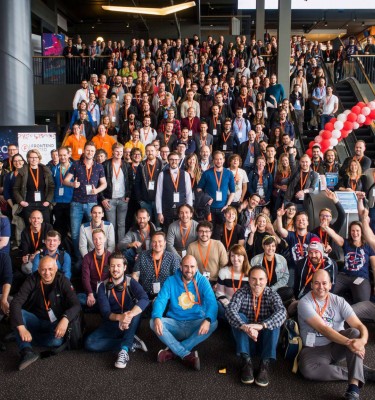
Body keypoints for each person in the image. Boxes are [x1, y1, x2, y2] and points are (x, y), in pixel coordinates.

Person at [298, 269, 375, 400]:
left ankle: (353, 388)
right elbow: (323, 329)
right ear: (311, 285)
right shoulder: (304, 303)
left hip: (337, 345)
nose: (321, 287)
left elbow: (359, 325)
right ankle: (361, 372)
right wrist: (350, 343)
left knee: (355, 333)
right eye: (316, 283)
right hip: (314, 349)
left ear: (330, 284)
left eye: (324, 283)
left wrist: (363, 340)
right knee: (307, 370)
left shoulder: (339, 301)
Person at [10, 256, 81, 370]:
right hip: (35, 319)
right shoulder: (32, 279)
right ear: (38, 270)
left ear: (56, 268)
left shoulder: (63, 281)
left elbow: (76, 304)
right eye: (43, 269)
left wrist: (65, 319)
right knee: (19, 314)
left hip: (55, 323)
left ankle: (18, 335)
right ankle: (26, 350)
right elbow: (16, 303)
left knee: (56, 341)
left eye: (50, 269)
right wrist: (22, 327)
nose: (47, 273)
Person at [150, 254, 218, 370]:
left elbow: (212, 303)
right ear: (180, 267)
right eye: (186, 266)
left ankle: (173, 351)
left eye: (192, 267)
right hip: (175, 324)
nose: (189, 270)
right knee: (153, 322)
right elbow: (160, 301)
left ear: (196, 268)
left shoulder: (202, 281)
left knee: (213, 323)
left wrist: (207, 320)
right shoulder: (171, 281)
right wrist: (157, 317)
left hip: (195, 324)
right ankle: (185, 354)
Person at [85, 252, 149, 369]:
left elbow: (144, 298)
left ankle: (124, 350)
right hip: (113, 323)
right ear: (109, 268)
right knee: (89, 343)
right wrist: (120, 318)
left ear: (124, 267)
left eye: (119, 266)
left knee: (136, 311)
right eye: (113, 266)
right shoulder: (102, 287)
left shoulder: (131, 282)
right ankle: (131, 342)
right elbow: (105, 312)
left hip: (130, 323)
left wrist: (129, 315)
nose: (115, 269)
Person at [226, 265, 287, 387]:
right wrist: (245, 327)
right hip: (246, 341)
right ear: (249, 280)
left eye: (261, 279)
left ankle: (265, 364)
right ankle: (246, 362)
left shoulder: (272, 294)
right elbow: (230, 310)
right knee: (239, 317)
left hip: (264, 342)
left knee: (274, 321)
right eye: (254, 279)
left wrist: (262, 325)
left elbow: (282, 312)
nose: (257, 283)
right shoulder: (241, 292)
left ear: (266, 280)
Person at [64, 141, 107, 262]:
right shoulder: (75, 164)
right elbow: (65, 181)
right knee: (75, 233)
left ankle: (93, 257)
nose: (90, 153)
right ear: (84, 151)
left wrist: (97, 190)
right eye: (88, 150)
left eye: (92, 151)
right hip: (76, 203)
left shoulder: (99, 166)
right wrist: (72, 183)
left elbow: (104, 184)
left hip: (92, 204)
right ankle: (79, 258)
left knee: (95, 232)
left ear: (95, 152)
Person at [322, 220, 375, 304]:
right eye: (352, 231)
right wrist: (326, 227)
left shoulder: (368, 247)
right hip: (344, 276)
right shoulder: (346, 243)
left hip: (361, 278)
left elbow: (374, 266)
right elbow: (335, 235)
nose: (355, 233)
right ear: (350, 232)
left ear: (362, 232)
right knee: (325, 291)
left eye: (357, 231)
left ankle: (350, 315)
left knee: (363, 303)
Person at [99, 142, 133, 242]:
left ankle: (121, 248)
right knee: (111, 225)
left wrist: (128, 195)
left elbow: (131, 182)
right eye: (117, 151)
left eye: (121, 151)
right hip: (109, 200)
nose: (119, 153)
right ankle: (111, 248)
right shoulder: (105, 165)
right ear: (112, 152)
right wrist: (103, 198)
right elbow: (99, 183)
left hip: (123, 199)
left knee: (121, 225)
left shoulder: (127, 165)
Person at [132, 231, 180, 299]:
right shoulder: (142, 255)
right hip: (145, 295)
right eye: (154, 241)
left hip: (165, 296)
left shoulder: (172, 258)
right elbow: (135, 276)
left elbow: (177, 278)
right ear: (151, 243)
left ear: (165, 242)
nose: (157, 244)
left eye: (160, 241)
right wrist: (138, 294)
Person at [13, 148, 55, 225]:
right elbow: (15, 189)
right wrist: (21, 201)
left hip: (43, 204)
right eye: (31, 157)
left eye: (36, 157)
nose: (33, 159)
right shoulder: (22, 171)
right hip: (28, 205)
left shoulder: (45, 170)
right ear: (28, 159)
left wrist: (48, 201)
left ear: (39, 158)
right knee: (30, 227)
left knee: (46, 226)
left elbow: (51, 187)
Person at [155, 152, 193, 230]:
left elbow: (189, 194)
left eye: (176, 159)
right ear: (168, 160)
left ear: (179, 160)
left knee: (181, 232)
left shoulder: (185, 174)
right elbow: (158, 195)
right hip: (166, 209)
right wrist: (159, 212)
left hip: (181, 210)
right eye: (171, 159)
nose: (174, 161)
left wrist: (189, 210)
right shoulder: (162, 174)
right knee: (167, 231)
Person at [197, 151, 235, 226]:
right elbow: (199, 189)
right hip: (209, 208)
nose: (219, 161)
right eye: (216, 159)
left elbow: (232, 192)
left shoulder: (229, 173)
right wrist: (205, 199)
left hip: (223, 209)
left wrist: (227, 205)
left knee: (221, 232)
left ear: (224, 160)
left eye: (220, 159)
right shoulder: (206, 173)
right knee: (209, 230)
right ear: (213, 160)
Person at [251, 235, 292, 302]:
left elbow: (285, 277)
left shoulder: (282, 259)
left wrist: (273, 288)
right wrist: (262, 288)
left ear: (275, 247)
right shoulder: (255, 260)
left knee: (289, 291)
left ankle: (266, 299)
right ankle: (270, 300)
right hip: (260, 289)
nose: (270, 248)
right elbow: (251, 278)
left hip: (276, 289)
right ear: (263, 246)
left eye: (273, 246)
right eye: (268, 246)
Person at [187, 221, 228, 285]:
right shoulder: (191, 247)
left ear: (211, 233)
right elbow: (188, 267)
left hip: (216, 281)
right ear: (197, 233)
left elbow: (224, 266)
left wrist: (219, 283)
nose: (204, 234)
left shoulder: (218, 245)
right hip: (197, 281)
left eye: (207, 231)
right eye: (201, 231)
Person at [216, 244, 250, 320]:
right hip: (226, 306)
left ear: (244, 257)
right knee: (215, 304)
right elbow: (219, 293)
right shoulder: (223, 272)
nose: (235, 258)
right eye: (232, 256)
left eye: (239, 255)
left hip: (243, 308)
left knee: (241, 316)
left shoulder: (250, 274)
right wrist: (229, 306)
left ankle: (233, 322)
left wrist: (238, 308)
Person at [80, 228, 111, 310]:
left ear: (104, 239)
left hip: (106, 290)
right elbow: (85, 277)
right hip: (92, 290)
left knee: (110, 299)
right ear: (92, 240)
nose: (98, 241)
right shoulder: (87, 257)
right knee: (78, 298)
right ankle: (99, 303)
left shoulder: (110, 257)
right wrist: (90, 294)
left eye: (100, 238)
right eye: (95, 239)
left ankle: (97, 303)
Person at [118, 208, 157, 273]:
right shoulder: (133, 230)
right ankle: (132, 273)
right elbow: (119, 245)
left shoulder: (154, 231)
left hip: (151, 256)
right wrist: (130, 244)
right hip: (137, 255)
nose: (141, 220)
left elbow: (158, 249)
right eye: (139, 218)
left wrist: (143, 256)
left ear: (148, 218)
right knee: (125, 252)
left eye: (144, 218)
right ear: (136, 218)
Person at [134, 144, 163, 224]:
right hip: (145, 201)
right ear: (145, 152)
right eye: (148, 151)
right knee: (147, 224)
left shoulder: (162, 165)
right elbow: (137, 183)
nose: (150, 152)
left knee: (159, 224)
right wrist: (140, 200)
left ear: (156, 152)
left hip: (159, 201)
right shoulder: (141, 165)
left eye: (152, 150)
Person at [20, 210, 53, 275]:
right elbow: (25, 249)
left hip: (45, 255)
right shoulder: (25, 232)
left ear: (42, 220)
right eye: (33, 218)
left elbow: (51, 244)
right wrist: (26, 256)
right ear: (30, 220)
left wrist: (39, 251)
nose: (36, 220)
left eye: (38, 218)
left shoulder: (48, 228)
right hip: (32, 257)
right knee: (25, 267)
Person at [51, 147, 74, 238]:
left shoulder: (74, 168)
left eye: (64, 155)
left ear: (69, 155)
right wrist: (53, 200)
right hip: (58, 201)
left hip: (71, 201)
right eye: (60, 155)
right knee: (59, 227)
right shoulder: (54, 169)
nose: (62, 157)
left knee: (70, 226)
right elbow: (52, 186)